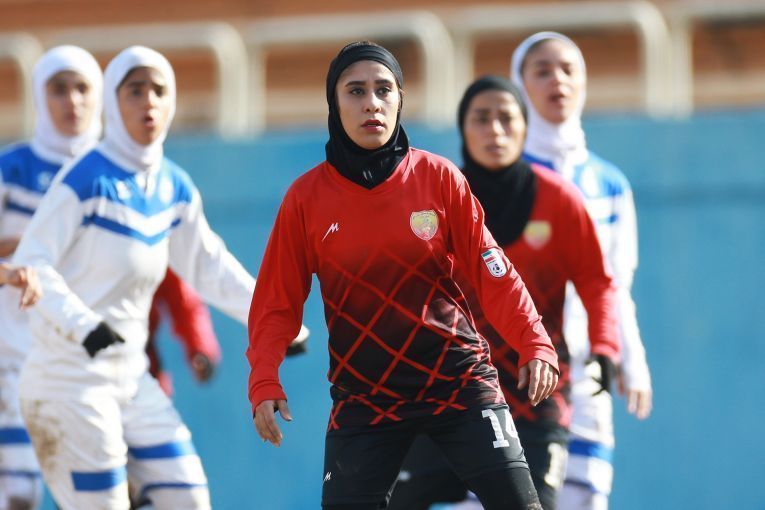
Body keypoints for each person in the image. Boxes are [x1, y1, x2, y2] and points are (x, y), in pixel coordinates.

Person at [247, 41, 560, 510]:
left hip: (460, 386)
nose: (371, 103)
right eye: (355, 91)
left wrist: (533, 341)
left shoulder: (439, 177)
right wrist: (264, 379)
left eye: (383, 90)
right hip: (366, 401)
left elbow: (493, 273)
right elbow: (276, 303)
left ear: (399, 100)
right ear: (334, 103)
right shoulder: (305, 199)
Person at [11, 45, 307, 510]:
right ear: (113, 101)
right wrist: (82, 326)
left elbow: (209, 266)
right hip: (67, 380)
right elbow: (34, 261)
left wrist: (276, 320)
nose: (148, 101)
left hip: (131, 375)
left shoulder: (173, 184)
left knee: (188, 498)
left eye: (159, 90)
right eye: (135, 90)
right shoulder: (85, 178)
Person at [389, 76, 620, 510]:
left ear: (525, 127)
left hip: (535, 394)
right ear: (463, 129)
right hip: (449, 394)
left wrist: (605, 346)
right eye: (481, 118)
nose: (495, 130)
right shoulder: (435, 200)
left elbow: (597, 281)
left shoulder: (560, 200)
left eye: (507, 118)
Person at [511, 32, 653, 509]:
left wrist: (631, 359)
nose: (558, 80)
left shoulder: (609, 184)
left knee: (585, 496)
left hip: (588, 370)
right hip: (513, 370)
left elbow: (616, 284)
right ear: (520, 84)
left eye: (568, 69)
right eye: (542, 70)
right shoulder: (502, 178)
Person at [0, 45, 102, 510]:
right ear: (40, 96)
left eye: (82, 88)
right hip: (12, 354)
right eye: (58, 89)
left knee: (94, 490)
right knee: (21, 492)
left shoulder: (108, 171)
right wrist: (17, 253)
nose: (72, 101)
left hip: (84, 358)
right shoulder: (12, 168)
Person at [146, 268, 221, 396]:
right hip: (111, 359)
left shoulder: (153, 258)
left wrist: (201, 349)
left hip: (142, 359)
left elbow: (183, 299)